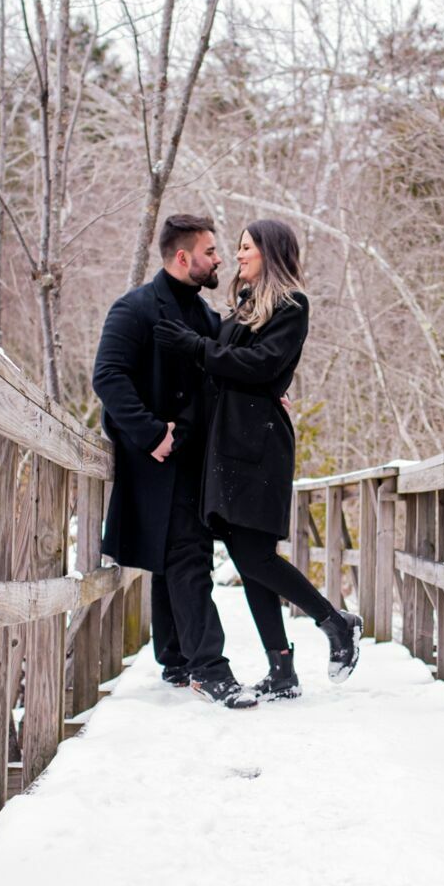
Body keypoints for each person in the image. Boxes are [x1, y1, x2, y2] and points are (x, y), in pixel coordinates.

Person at [153, 219, 362, 701]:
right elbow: (227, 370)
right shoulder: (244, 307)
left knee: (255, 555)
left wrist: (197, 347)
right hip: (227, 445)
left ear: (270, 251)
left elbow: (261, 365)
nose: (239, 255)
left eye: (246, 248)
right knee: (250, 560)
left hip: (259, 446)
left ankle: (336, 622)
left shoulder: (292, 305)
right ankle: (282, 671)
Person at [92, 214, 256, 709]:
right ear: (183, 258)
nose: (219, 259)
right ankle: (210, 667)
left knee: (177, 556)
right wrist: (149, 433)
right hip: (154, 460)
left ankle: (177, 658)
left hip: (193, 458)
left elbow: (226, 373)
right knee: (187, 557)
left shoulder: (206, 317)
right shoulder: (135, 309)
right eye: (210, 252)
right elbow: (108, 376)